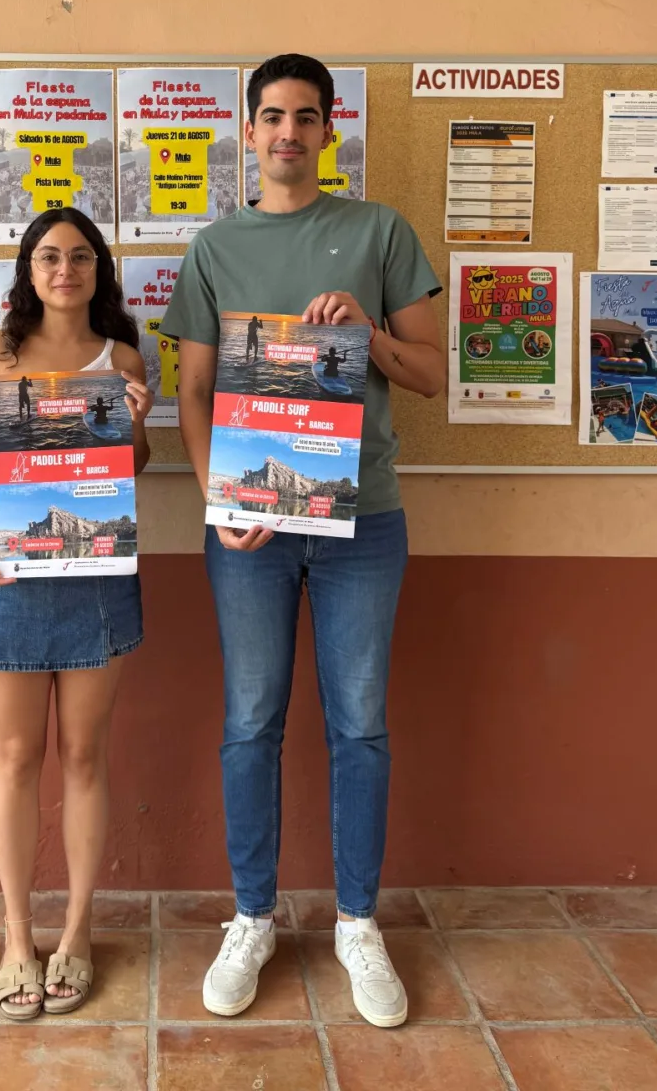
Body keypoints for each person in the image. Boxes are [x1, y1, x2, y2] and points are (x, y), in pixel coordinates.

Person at [160, 54, 444, 1028]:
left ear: (331, 130)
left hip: (365, 518)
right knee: (251, 719)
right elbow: (193, 394)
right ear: (248, 131)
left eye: (306, 116)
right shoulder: (214, 248)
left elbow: (435, 376)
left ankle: (358, 922)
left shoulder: (381, 232)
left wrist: (366, 332)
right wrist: (217, 499)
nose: (288, 131)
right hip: (252, 525)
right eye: (272, 115)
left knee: (359, 721)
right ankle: (252, 916)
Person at [0, 207, 153, 1021]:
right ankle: (16, 939)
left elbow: (132, 467)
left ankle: (76, 934)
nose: (63, 268)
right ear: (28, 270)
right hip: (12, 566)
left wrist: (135, 422)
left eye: (78, 256)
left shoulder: (125, 356)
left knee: (85, 758)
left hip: (97, 567)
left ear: (98, 268)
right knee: (14, 755)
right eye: (47, 256)